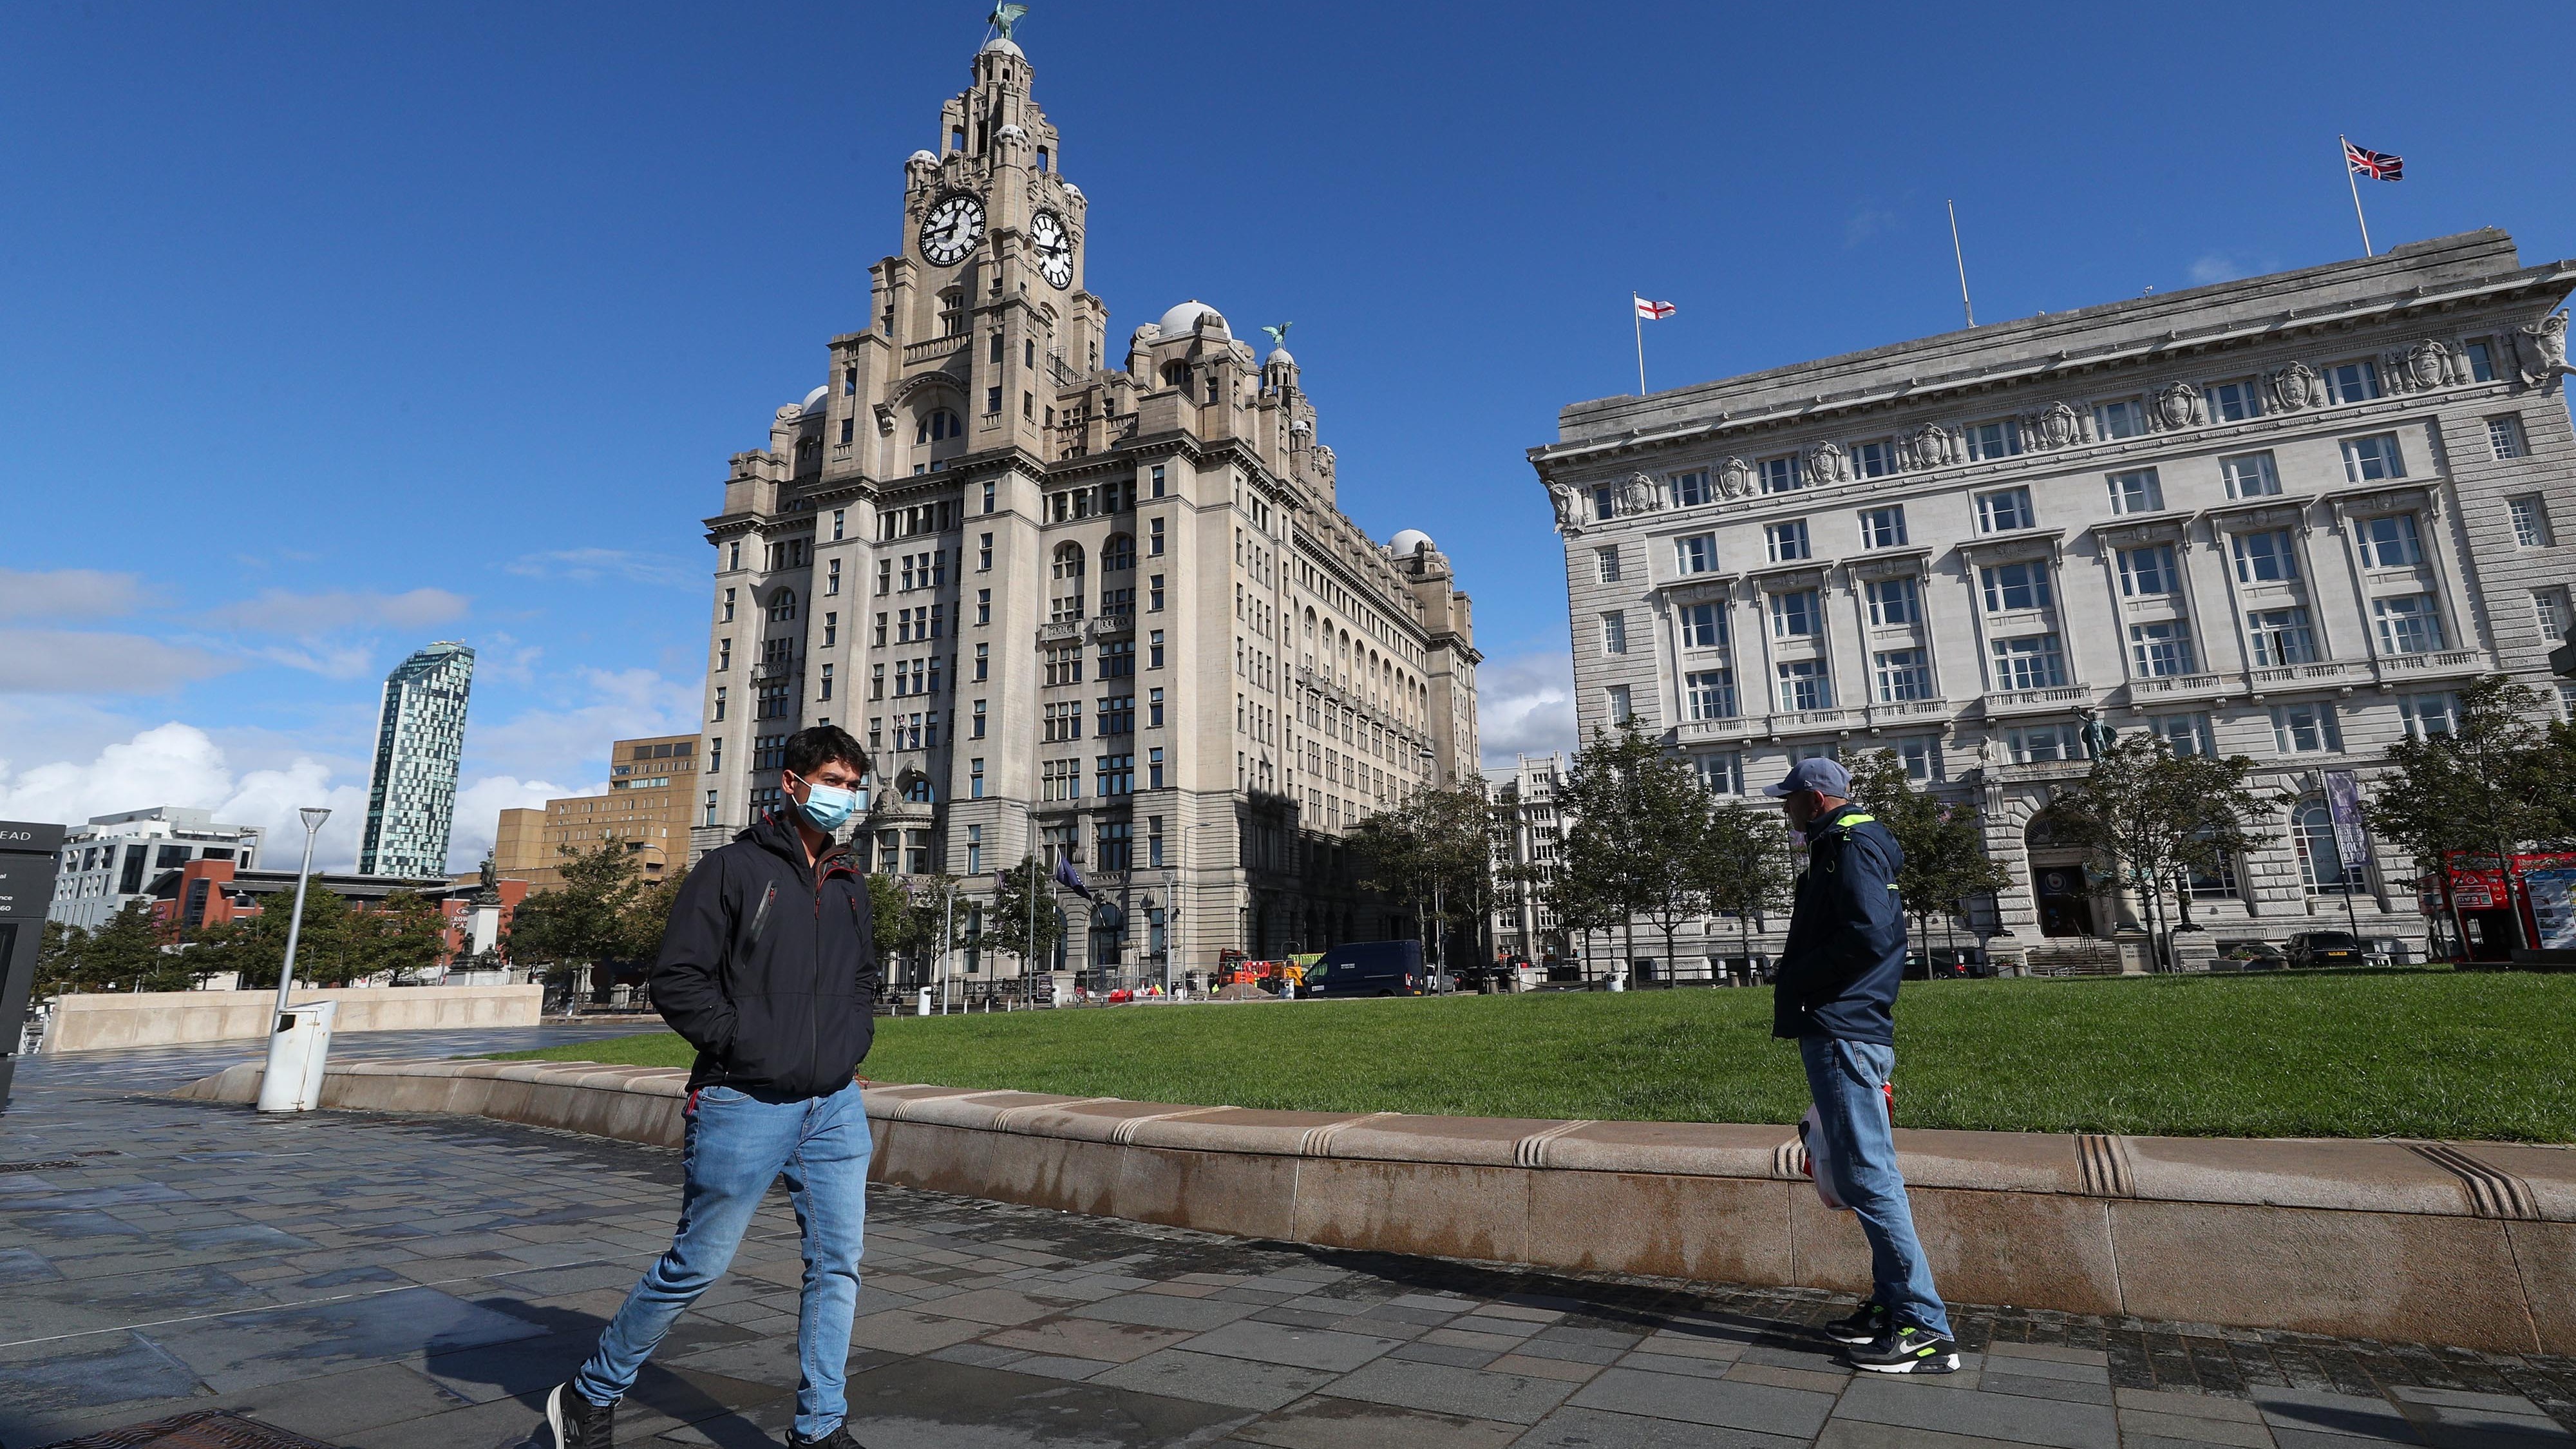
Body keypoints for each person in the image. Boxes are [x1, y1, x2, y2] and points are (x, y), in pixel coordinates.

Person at [545, 724, 882, 1448]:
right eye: (832, 782)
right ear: (792, 783)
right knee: (696, 1263)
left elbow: (862, 978)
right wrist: (747, 1044)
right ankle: (589, 1392)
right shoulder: (730, 869)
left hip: (834, 1104)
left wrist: (851, 1042)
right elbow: (677, 978)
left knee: (837, 1266)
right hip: (744, 1100)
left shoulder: (851, 883)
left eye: (853, 788)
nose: (843, 798)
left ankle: (820, 1427)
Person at [1766, 755, 1958, 1374]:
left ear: (1816, 798)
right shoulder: (1842, 844)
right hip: (1844, 1025)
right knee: (1860, 1174)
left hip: (1843, 1027)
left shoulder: (1848, 847)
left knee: (1871, 1178)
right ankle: (1890, 1304)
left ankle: (1925, 1329)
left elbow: (1871, 935)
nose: (1784, 808)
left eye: (1789, 798)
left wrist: (1802, 978)